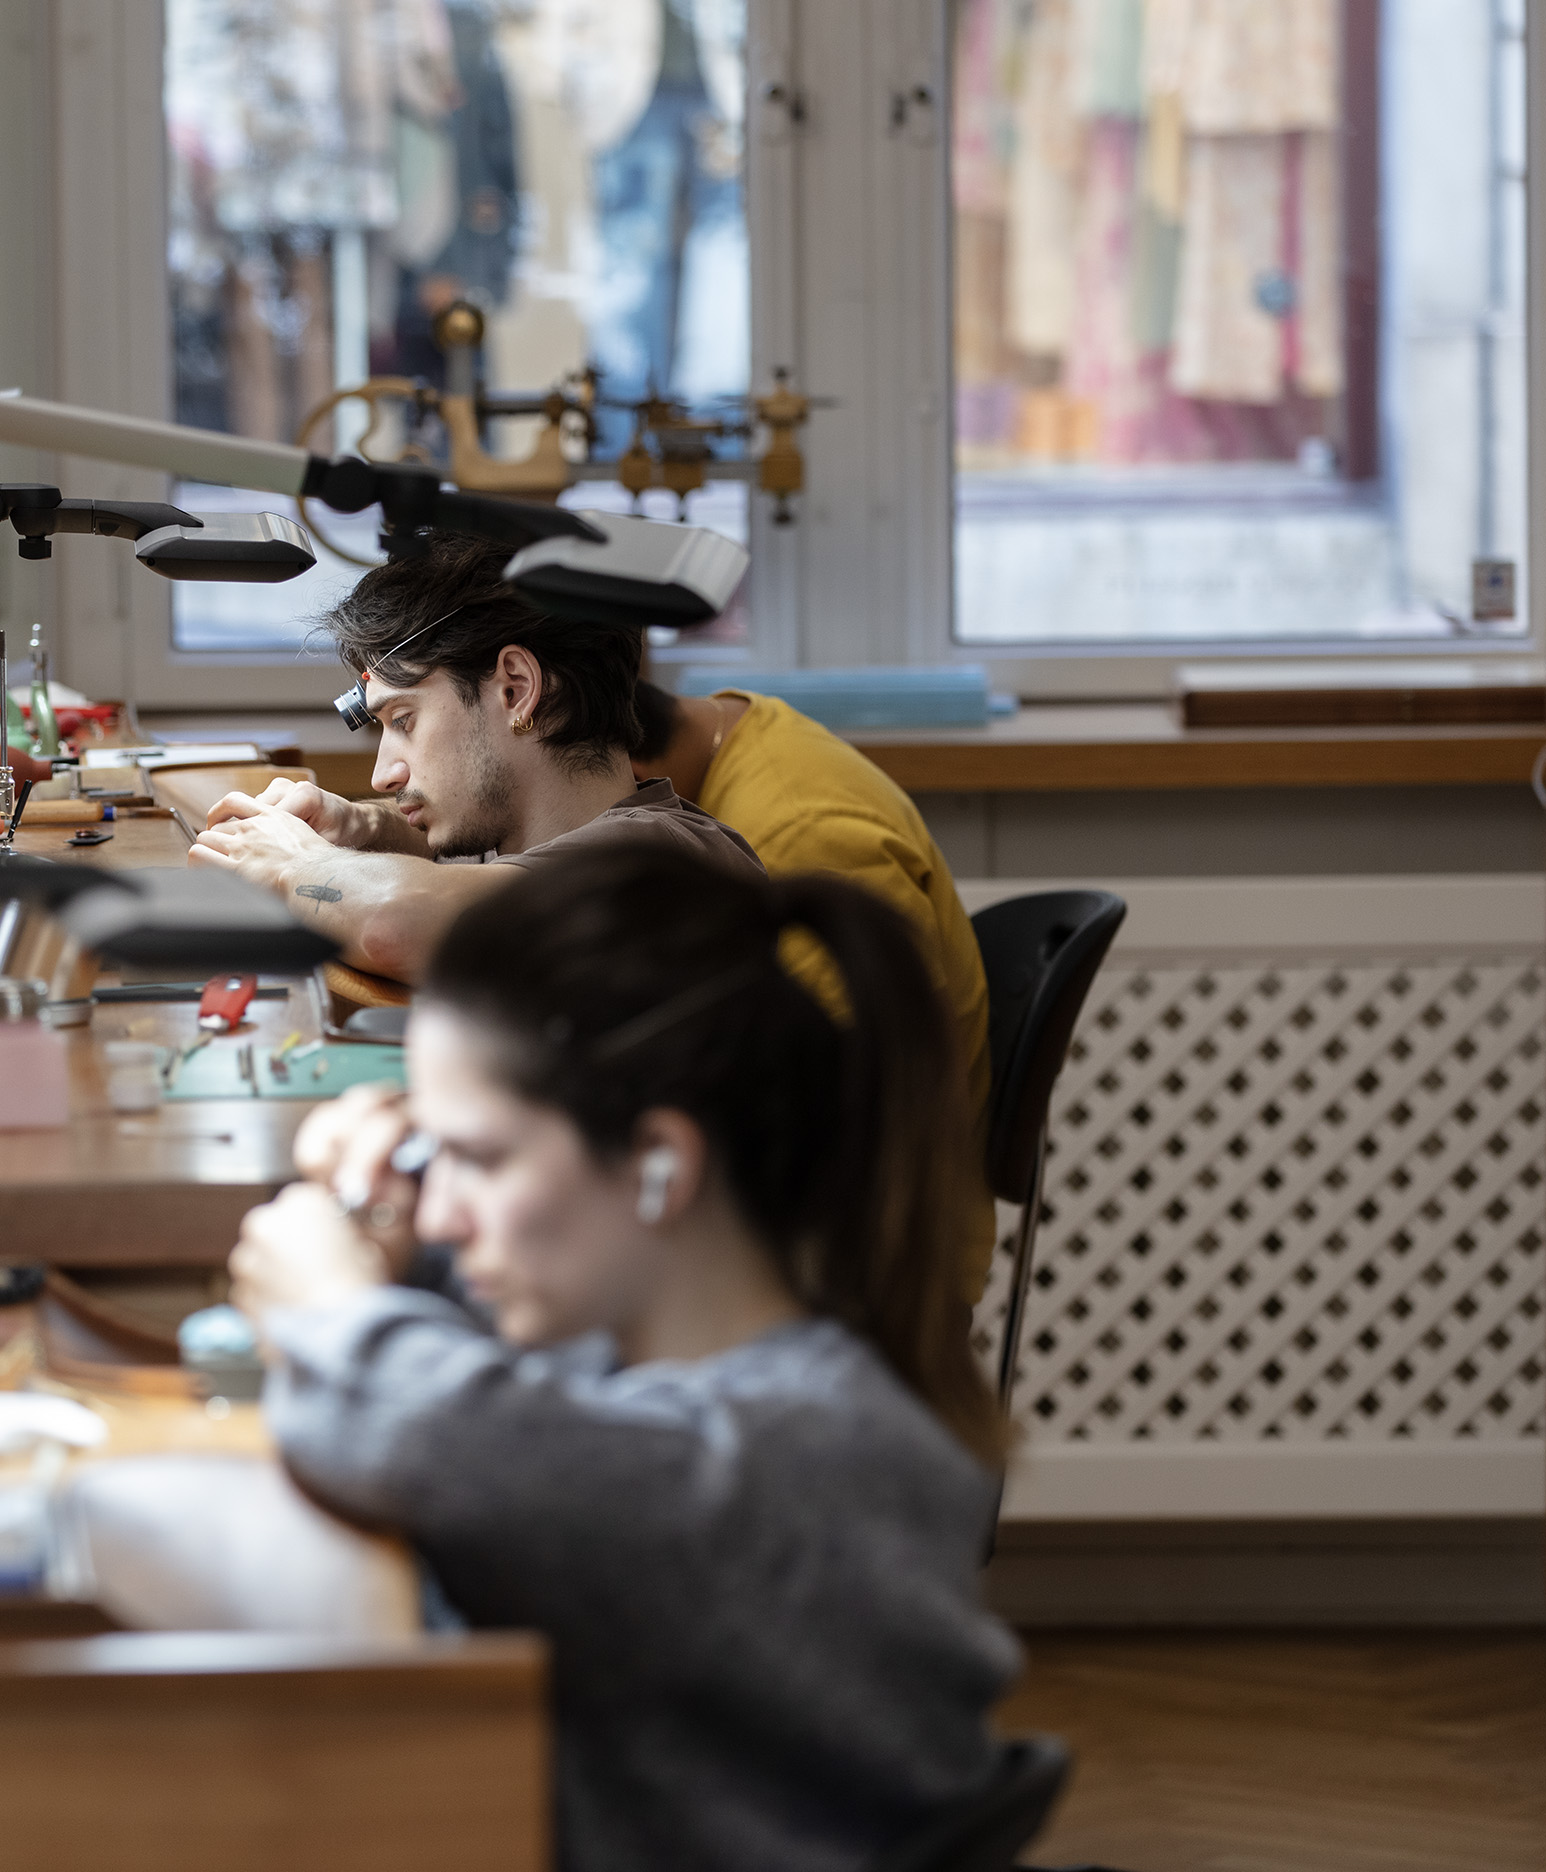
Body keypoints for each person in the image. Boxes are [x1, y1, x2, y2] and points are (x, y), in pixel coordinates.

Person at [230, 843, 1017, 1872]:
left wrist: (336, 1300)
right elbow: (523, 1396)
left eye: (479, 1157)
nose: (445, 1208)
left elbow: (443, 1429)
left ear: (659, 1162)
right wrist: (388, 1228)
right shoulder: (662, 1361)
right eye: (434, 1154)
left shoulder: (792, 1453)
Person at [188, 536, 759, 981]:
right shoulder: (517, 846)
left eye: (405, 721)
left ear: (515, 689)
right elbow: (463, 870)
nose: (383, 773)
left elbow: (394, 922)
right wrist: (355, 823)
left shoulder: (672, 863)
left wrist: (291, 864)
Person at [632, 679, 999, 1296]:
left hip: (872, 1276)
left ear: (633, 776)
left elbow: (836, 1124)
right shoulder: (741, 730)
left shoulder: (795, 833)